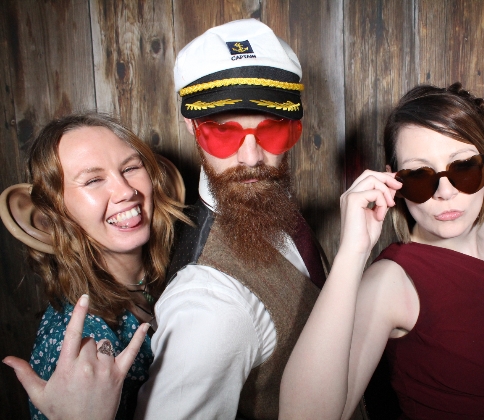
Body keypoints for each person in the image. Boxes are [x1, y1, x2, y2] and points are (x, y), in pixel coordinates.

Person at [280, 83, 484, 419]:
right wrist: (353, 251)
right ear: (392, 181)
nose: (444, 192)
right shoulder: (390, 281)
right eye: (419, 175)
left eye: (463, 166)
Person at [133, 18, 341, 420]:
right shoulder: (207, 307)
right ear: (192, 127)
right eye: (224, 133)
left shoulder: (268, 200)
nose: (251, 158)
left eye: (273, 130)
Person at [2, 113, 188, 420]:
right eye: (93, 180)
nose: (127, 191)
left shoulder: (181, 270)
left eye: (130, 167)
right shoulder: (76, 342)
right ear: (57, 211)